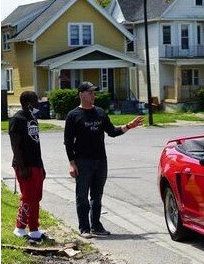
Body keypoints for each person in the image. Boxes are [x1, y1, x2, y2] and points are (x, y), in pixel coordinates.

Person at [64, 82, 144, 238]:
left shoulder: (100, 113)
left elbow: (112, 131)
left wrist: (128, 126)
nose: (93, 96)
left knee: (97, 196)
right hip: (82, 162)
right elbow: (68, 142)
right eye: (90, 93)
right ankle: (84, 228)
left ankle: (96, 225)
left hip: (100, 161)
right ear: (81, 94)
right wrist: (72, 163)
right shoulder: (73, 115)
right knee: (82, 196)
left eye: (94, 93)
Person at [9, 91, 47, 242]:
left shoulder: (32, 117)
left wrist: (42, 166)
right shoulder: (17, 119)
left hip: (36, 163)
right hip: (24, 165)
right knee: (28, 197)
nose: (38, 104)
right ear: (28, 103)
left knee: (36, 197)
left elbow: (36, 143)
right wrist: (22, 167)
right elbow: (15, 145)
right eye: (35, 101)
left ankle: (34, 229)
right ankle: (19, 228)